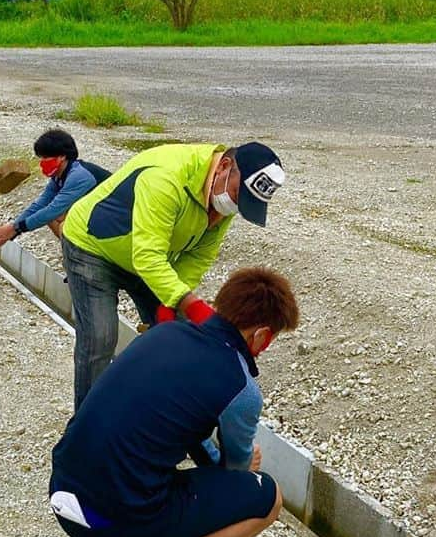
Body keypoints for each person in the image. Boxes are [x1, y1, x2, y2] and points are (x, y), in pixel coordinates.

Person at [50, 266, 300, 537]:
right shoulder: (240, 388)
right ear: (261, 335)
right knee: (267, 498)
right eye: (271, 340)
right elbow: (233, 472)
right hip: (111, 523)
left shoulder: (163, 333)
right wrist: (247, 466)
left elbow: (183, 427)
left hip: (64, 495)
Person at [60, 142, 286, 409]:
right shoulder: (166, 178)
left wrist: (170, 305)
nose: (236, 205)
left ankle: (158, 410)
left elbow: (198, 256)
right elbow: (147, 256)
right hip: (92, 248)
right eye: (238, 195)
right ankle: (88, 423)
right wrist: (187, 301)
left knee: (176, 331)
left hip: (145, 257)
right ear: (224, 166)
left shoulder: (222, 198)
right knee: (100, 337)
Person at [0, 129, 109, 251]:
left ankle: (81, 254)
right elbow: (41, 204)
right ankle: (72, 252)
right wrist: (12, 228)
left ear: (62, 157)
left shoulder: (79, 176)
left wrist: (14, 229)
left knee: (59, 217)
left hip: (116, 220)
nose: (42, 162)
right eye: (40, 158)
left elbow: (52, 210)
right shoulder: (59, 176)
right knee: (52, 216)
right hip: (98, 215)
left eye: (46, 157)